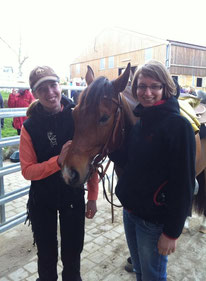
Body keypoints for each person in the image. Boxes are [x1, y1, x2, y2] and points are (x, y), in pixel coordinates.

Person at [115, 60, 196, 281]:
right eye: (142, 86)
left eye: (155, 86)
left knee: (153, 276)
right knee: (140, 271)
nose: (147, 92)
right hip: (130, 213)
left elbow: (184, 185)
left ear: (165, 89)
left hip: (153, 222)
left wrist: (171, 232)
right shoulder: (141, 122)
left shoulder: (179, 127)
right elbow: (130, 162)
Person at [19, 66, 99, 281]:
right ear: (35, 94)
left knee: (73, 255)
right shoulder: (30, 126)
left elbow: (89, 159)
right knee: (46, 255)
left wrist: (92, 196)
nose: (50, 92)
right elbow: (27, 171)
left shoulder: (77, 116)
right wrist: (58, 161)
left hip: (72, 196)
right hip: (42, 199)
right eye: (42, 88)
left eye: (53, 85)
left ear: (60, 85)